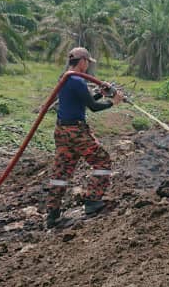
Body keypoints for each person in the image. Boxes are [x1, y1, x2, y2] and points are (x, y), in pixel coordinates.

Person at [44, 47, 123, 228]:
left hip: (62, 131)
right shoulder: (78, 80)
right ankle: (93, 201)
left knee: (61, 172)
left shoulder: (65, 78)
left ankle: (53, 214)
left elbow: (83, 100)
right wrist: (113, 102)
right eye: (87, 62)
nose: (88, 66)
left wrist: (99, 93)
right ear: (82, 62)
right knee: (102, 160)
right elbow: (93, 107)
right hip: (76, 132)